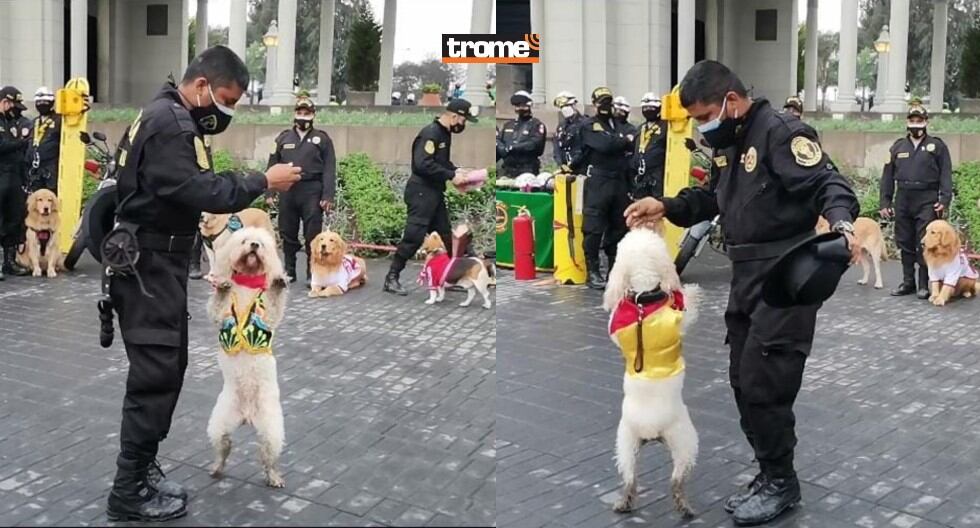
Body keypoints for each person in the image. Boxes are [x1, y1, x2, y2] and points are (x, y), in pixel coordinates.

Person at [624, 60, 860, 525]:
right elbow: (713, 199)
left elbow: (828, 183)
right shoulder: (730, 143)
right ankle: (769, 471)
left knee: (765, 385)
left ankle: (782, 482)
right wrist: (665, 205)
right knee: (742, 380)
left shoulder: (780, 133)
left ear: (730, 102)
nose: (701, 126)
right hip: (747, 277)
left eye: (703, 115)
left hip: (784, 277)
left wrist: (843, 225)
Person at [98, 46, 300, 522]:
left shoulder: (166, 115)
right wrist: (262, 180)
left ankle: (143, 470)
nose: (226, 111)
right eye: (225, 100)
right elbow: (200, 189)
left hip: (154, 266)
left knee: (167, 368)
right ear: (202, 85)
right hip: (147, 267)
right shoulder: (171, 123)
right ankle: (128, 490)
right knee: (155, 377)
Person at [383, 98, 477, 295]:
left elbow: (440, 162)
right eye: (463, 120)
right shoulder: (431, 133)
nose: (463, 124)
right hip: (421, 192)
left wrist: (457, 171)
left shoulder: (444, 133)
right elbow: (423, 164)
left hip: (434, 192)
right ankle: (391, 277)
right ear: (454, 116)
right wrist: (451, 175)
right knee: (413, 237)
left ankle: (451, 277)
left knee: (446, 235)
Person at [879, 103, 952, 299]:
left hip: (927, 199)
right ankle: (908, 282)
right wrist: (885, 202)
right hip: (903, 197)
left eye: (919, 120)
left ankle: (923, 284)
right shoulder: (897, 147)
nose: (915, 124)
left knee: (925, 242)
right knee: (904, 241)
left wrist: (944, 199)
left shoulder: (937, 146)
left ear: (926, 122)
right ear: (907, 122)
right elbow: (887, 177)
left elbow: (946, 174)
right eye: (912, 120)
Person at [267, 94, 337, 285]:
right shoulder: (283, 138)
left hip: (312, 189)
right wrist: (270, 191)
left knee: (312, 234)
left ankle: (312, 271)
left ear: (313, 115)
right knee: (287, 231)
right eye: (300, 112)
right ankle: (289, 270)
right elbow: (272, 165)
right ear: (294, 114)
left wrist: (328, 195)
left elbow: (329, 168)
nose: (303, 116)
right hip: (288, 189)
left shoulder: (322, 139)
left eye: (307, 113)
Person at [568, 87, 633, 290]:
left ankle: (615, 271)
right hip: (598, 181)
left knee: (619, 227)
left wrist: (620, 141)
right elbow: (605, 145)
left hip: (619, 182)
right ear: (595, 104)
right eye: (601, 102)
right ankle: (593, 272)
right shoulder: (589, 125)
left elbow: (630, 141)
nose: (605, 106)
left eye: (608, 102)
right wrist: (623, 141)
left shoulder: (619, 124)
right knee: (593, 228)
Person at [0, 86, 32, 279]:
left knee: (13, 218)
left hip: (14, 176)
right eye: (13, 106)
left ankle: (9, 262)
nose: (15, 110)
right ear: (5, 102)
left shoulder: (10, 121)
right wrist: (21, 142)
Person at [498, 90, 546, 177]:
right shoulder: (509, 125)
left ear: (529, 105)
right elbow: (499, 140)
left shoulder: (536, 125)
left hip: (527, 169)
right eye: (517, 106)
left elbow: (534, 144)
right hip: (508, 170)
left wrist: (514, 147)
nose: (519, 108)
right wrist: (501, 147)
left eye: (522, 105)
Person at [25, 86, 61, 193]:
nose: (41, 104)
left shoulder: (60, 121)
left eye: (45, 102)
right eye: (39, 102)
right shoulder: (34, 122)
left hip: (52, 169)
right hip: (34, 171)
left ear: (52, 102)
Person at [630, 93, 666, 199]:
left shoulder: (666, 126)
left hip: (658, 175)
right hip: (641, 176)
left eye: (651, 108)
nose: (648, 110)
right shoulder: (640, 128)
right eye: (645, 108)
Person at [552, 91, 586, 168]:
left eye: (567, 106)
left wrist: (573, 162)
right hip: (565, 168)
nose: (564, 109)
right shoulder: (561, 126)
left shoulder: (585, 123)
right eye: (561, 107)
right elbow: (557, 147)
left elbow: (584, 148)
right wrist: (560, 164)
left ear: (574, 105)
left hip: (581, 167)